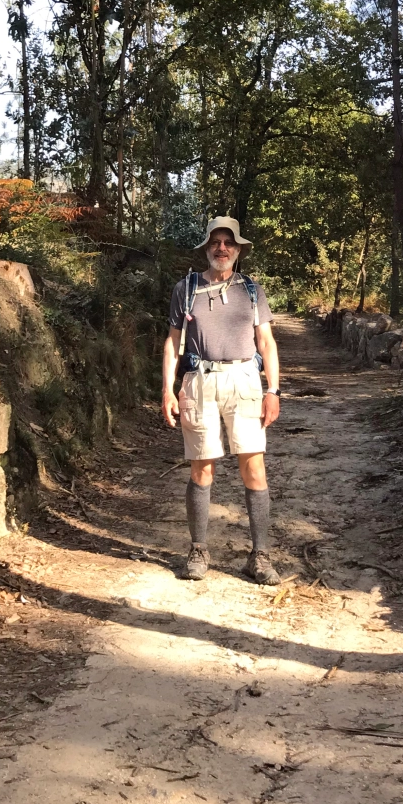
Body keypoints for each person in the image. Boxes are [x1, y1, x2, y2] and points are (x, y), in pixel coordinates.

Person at [161, 217, 281, 585]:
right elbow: (171, 342)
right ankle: (198, 550)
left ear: (239, 250)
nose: (222, 248)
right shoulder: (187, 288)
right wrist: (168, 388)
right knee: (202, 468)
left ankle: (259, 556)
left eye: (229, 242)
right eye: (215, 242)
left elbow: (266, 343)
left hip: (245, 380)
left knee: (254, 467)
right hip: (199, 381)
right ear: (206, 248)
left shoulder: (252, 291)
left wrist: (273, 390)